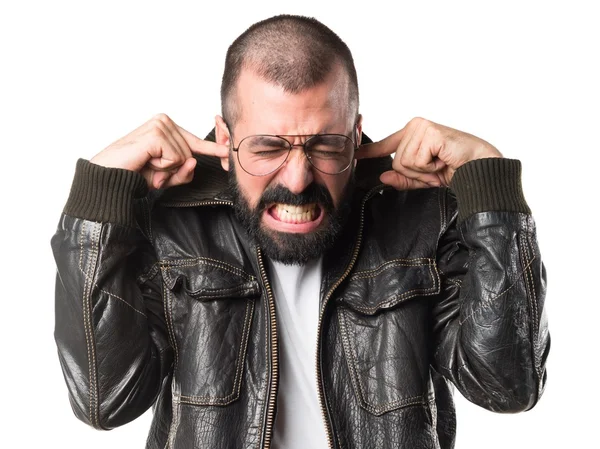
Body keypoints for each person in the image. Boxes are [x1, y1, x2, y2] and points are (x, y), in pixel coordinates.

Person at [51, 14, 549, 449]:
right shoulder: (172, 221)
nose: (297, 178)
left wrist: (492, 191)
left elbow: (506, 387)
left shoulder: (419, 216)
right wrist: (99, 204)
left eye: (326, 146)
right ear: (224, 140)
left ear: (356, 136)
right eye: (267, 147)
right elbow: (105, 400)